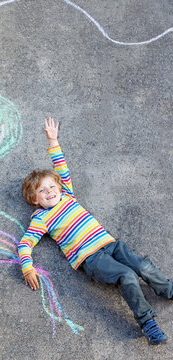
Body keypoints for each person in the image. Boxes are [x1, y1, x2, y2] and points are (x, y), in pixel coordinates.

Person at [18, 117, 172, 345]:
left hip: (110, 244)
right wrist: (27, 268)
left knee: (142, 265)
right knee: (127, 276)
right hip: (90, 258)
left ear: (60, 187)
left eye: (52, 186)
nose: (50, 191)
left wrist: (53, 140)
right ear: (34, 199)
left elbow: (60, 165)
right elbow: (25, 243)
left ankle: (167, 289)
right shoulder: (40, 218)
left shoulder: (67, 194)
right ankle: (147, 321)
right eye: (42, 191)